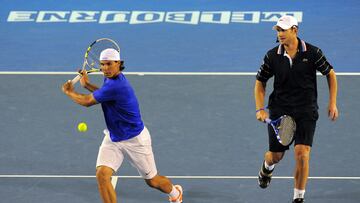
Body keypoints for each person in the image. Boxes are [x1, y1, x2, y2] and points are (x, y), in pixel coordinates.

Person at [62, 48, 183, 203]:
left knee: (153, 181)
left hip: (135, 140)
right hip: (114, 137)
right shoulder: (110, 80)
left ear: (118, 63)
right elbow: (105, 95)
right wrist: (88, 85)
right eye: (102, 65)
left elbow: (87, 102)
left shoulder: (117, 85)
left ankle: (175, 192)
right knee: (102, 175)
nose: (105, 69)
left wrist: (68, 92)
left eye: (109, 64)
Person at [254, 15, 338, 203]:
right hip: (280, 110)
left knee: (302, 153)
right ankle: (267, 167)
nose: (280, 34)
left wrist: (332, 102)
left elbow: (330, 74)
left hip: (306, 110)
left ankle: (298, 198)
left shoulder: (313, 53)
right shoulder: (272, 56)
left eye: (283, 30)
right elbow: (260, 82)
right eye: (278, 30)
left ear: (295, 30)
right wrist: (260, 108)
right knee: (276, 156)